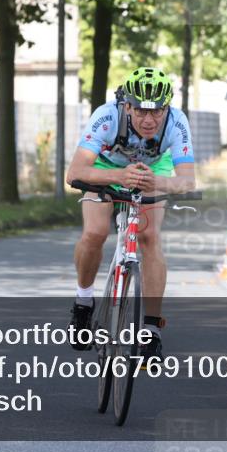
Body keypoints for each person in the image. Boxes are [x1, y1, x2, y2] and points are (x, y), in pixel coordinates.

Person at [64, 67, 196, 363]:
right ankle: (83, 302)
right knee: (95, 233)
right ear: (127, 106)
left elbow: (187, 180)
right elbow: (75, 172)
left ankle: (151, 330)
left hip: (152, 171)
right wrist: (118, 176)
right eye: (140, 111)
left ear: (167, 108)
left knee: (149, 236)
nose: (149, 120)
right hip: (105, 168)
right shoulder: (106, 116)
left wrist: (157, 182)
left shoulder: (177, 122)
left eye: (157, 112)